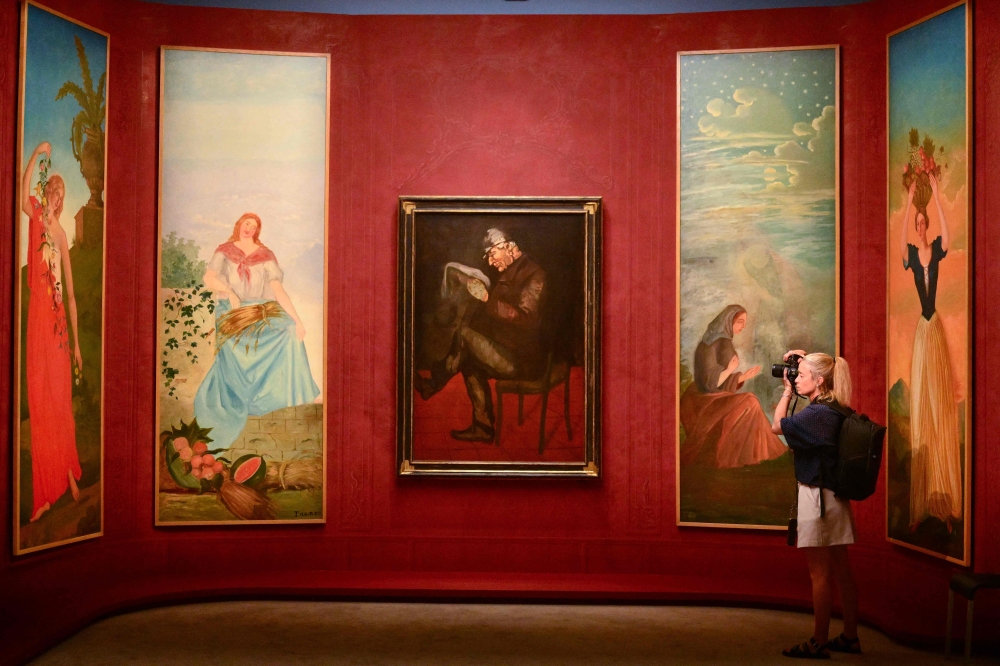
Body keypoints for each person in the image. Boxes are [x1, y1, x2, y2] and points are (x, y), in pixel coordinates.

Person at [195, 213, 319, 449]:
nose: (250, 228)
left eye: (255, 226)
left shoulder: (265, 255)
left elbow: (278, 290)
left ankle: (289, 393)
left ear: (258, 230)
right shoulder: (225, 250)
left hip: (260, 309)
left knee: (289, 329)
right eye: (247, 223)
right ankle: (238, 399)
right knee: (235, 344)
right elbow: (209, 277)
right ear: (239, 224)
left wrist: (298, 321)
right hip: (230, 311)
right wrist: (230, 292)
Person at [414, 228, 546, 443]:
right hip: (508, 349)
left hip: (524, 360)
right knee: (468, 357)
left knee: (465, 336)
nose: (492, 262)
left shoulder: (535, 275)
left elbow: (524, 317)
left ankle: (433, 385)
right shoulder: (510, 271)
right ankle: (483, 427)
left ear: (507, 247)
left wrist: (486, 299)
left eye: (492, 254)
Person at [772, 351, 860, 659]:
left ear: (819, 380)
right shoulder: (833, 408)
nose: (796, 378)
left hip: (817, 498)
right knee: (842, 570)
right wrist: (802, 358)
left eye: (802, 374)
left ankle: (818, 641)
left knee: (819, 574)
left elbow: (778, 426)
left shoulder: (817, 415)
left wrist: (785, 392)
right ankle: (850, 636)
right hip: (834, 497)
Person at [21, 141, 84, 522]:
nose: (56, 199)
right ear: (46, 193)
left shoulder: (60, 235)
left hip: (59, 321)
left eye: (61, 194)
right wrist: (37, 156)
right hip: (37, 316)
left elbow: (73, 296)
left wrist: (77, 345)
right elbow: (20, 191)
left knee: (60, 400)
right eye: (53, 191)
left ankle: (68, 477)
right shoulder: (34, 218)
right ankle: (44, 494)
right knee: (40, 400)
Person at [900, 174, 962, 532]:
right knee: (923, 404)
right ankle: (923, 503)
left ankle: (944, 501)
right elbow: (899, 246)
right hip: (922, 333)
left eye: (924, 223)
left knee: (940, 403)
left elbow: (949, 237)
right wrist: (910, 200)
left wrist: (936, 193)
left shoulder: (936, 247)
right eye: (918, 224)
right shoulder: (910, 252)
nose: (921, 227)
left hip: (934, 326)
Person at [679, 304, 786, 468]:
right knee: (750, 401)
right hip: (700, 402)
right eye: (740, 322)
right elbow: (710, 384)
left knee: (750, 402)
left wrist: (743, 376)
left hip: (712, 397)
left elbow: (721, 384)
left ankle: (758, 455)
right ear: (728, 321)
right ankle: (763, 453)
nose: (743, 326)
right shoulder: (709, 345)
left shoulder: (724, 341)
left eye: (744, 322)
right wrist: (730, 369)